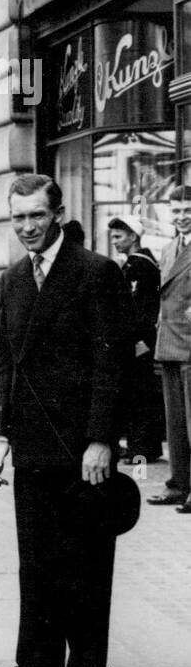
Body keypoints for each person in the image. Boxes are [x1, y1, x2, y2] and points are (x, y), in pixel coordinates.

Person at [0, 173, 131, 667]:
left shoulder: (97, 272)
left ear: (58, 213)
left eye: (36, 215)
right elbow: (8, 362)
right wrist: (0, 433)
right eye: (18, 217)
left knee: (86, 572)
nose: (27, 226)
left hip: (81, 453)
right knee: (38, 570)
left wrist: (101, 441)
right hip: (31, 449)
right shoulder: (12, 279)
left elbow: (112, 364)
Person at [108, 215, 163, 465]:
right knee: (140, 398)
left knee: (138, 399)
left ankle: (140, 451)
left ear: (133, 237)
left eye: (119, 236)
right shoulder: (137, 263)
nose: (114, 241)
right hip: (140, 340)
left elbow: (140, 307)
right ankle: (142, 448)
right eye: (113, 236)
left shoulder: (138, 266)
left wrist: (139, 340)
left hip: (139, 342)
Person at [150, 186, 191, 510]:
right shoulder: (167, 249)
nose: (181, 217)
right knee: (175, 423)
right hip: (170, 342)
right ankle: (178, 485)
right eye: (175, 211)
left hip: (190, 342)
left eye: (187, 210)